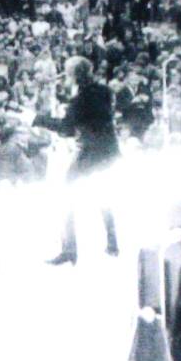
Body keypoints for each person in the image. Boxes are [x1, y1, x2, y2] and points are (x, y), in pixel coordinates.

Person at [37, 56, 120, 265]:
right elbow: (92, 114)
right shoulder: (104, 91)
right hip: (110, 150)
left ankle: (69, 250)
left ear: (73, 75)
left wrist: (39, 120)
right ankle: (113, 244)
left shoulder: (79, 100)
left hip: (89, 153)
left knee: (65, 197)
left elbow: (66, 129)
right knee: (104, 195)